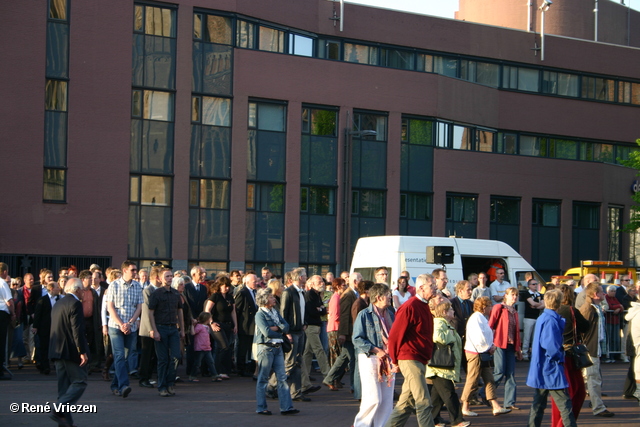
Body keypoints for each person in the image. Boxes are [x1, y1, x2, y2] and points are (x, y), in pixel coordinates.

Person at [384, 274, 437, 427]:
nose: (435, 288)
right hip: (410, 358)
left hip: (418, 358)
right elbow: (395, 335)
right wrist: (394, 360)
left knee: (405, 404)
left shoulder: (424, 305)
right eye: (432, 285)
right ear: (421, 287)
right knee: (424, 401)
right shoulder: (409, 306)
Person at [524, 289, 577, 427]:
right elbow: (550, 346)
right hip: (550, 367)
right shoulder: (551, 320)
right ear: (559, 302)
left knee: (539, 403)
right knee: (564, 403)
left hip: (542, 366)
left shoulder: (544, 317)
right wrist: (560, 357)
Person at [352, 283, 396, 427]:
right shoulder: (364, 314)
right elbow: (357, 338)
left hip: (388, 359)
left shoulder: (390, 313)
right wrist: (377, 350)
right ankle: (361, 425)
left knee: (387, 399)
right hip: (369, 358)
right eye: (387, 295)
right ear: (378, 297)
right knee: (373, 398)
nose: (389, 297)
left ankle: (382, 425)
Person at [48, 278, 89, 427]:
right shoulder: (75, 303)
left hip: (57, 350)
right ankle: (59, 410)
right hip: (70, 350)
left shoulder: (58, 303)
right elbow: (77, 329)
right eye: (82, 290)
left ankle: (65, 423)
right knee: (80, 381)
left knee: (63, 388)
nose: (84, 292)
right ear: (77, 290)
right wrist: (81, 351)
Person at [461, 297, 511, 417]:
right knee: (472, 380)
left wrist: (490, 346)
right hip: (476, 353)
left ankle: (495, 405)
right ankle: (465, 406)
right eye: (489, 306)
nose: (491, 308)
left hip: (482, 352)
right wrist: (489, 347)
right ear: (484, 307)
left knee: (489, 379)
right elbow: (480, 337)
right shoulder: (476, 318)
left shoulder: (481, 318)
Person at [254, 287, 299, 416]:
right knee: (263, 378)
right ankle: (261, 407)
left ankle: (286, 407)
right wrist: (280, 331)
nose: (274, 299)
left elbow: (286, 326)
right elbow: (266, 332)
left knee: (282, 378)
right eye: (271, 297)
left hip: (278, 348)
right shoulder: (260, 314)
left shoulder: (275, 311)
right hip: (266, 348)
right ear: (264, 299)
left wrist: (277, 328)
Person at [549, 285, 589, 427]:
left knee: (560, 394)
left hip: (557, 355)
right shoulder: (571, 310)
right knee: (576, 392)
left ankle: (558, 423)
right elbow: (585, 326)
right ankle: (565, 423)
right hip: (570, 355)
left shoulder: (552, 313)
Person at [426, 302, 469, 427]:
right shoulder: (439, 322)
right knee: (449, 394)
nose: (453, 311)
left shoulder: (445, 323)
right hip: (440, 367)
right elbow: (437, 337)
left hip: (441, 367)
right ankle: (457, 421)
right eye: (450, 309)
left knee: (437, 396)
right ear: (444, 312)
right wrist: (451, 337)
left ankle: (433, 420)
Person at [104, 261, 143, 398]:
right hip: (115, 327)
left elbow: (139, 307)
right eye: (132, 270)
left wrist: (130, 322)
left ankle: (115, 385)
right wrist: (121, 324)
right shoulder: (113, 285)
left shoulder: (137, 286)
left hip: (130, 327)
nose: (135, 272)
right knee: (119, 355)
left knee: (127, 357)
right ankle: (124, 386)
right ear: (125, 270)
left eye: (135, 270)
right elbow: (110, 307)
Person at [579, 281, 615, 417]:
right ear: (595, 294)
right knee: (593, 378)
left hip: (595, 347)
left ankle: (595, 403)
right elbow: (582, 330)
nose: (604, 294)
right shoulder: (588, 308)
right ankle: (598, 407)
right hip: (590, 348)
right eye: (601, 292)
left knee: (590, 378)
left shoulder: (596, 307)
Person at [148, 271, 186, 397]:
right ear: (160, 278)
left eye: (171, 276)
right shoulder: (156, 293)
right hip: (161, 328)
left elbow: (180, 311)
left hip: (173, 328)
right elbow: (150, 313)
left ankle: (170, 383)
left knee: (176, 357)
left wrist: (182, 329)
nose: (170, 278)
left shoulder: (176, 293)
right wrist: (154, 330)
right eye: (167, 276)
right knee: (163, 359)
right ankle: (162, 386)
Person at [323, 272, 360, 392]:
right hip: (346, 331)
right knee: (351, 358)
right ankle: (354, 385)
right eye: (360, 279)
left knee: (344, 357)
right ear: (355, 282)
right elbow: (342, 315)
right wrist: (342, 332)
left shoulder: (352, 294)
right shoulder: (347, 295)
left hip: (348, 331)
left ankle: (330, 378)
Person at [488, 287, 522, 410]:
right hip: (499, 343)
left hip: (511, 345)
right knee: (499, 371)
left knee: (511, 374)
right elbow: (490, 326)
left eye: (516, 295)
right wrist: (490, 343)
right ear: (506, 296)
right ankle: (485, 393)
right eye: (512, 295)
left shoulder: (515, 311)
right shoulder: (499, 308)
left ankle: (510, 402)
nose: (514, 297)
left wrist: (518, 349)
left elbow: (516, 331)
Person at [278, 267, 308, 401]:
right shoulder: (288, 292)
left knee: (298, 361)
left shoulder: (301, 292)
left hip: (300, 330)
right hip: (292, 331)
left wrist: (304, 321)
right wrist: (286, 332)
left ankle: (295, 392)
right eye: (305, 275)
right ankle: (272, 386)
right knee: (290, 362)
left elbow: (302, 310)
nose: (306, 277)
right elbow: (283, 313)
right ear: (300, 277)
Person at [204, 276, 237, 379]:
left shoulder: (230, 297)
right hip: (217, 324)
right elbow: (207, 310)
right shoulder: (215, 296)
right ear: (219, 286)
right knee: (224, 346)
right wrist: (211, 322)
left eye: (228, 286)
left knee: (225, 348)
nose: (226, 288)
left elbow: (233, 312)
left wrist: (236, 325)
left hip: (228, 325)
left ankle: (223, 370)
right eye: (224, 286)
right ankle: (217, 370)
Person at [302, 275, 329, 394]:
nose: (322, 283)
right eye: (319, 281)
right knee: (319, 350)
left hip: (316, 325)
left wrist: (321, 309)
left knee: (307, 353)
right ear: (312, 284)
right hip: (311, 326)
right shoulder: (309, 295)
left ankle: (305, 377)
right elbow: (313, 311)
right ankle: (328, 375)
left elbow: (321, 309)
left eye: (322, 281)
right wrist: (321, 309)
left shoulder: (317, 295)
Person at [32, 281, 61, 375]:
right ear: (52, 288)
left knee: (56, 346)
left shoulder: (59, 299)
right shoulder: (42, 300)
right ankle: (45, 367)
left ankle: (57, 366)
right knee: (44, 347)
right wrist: (35, 326)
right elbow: (38, 314)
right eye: (57, 287)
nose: (59, 288)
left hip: (56, 327)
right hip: (45, 327)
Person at [235, 273, 258, 377]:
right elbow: (237, 310)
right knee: (243, 348)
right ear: (247, 282)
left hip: (254, 325)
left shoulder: (256, 292)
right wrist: (238, 324)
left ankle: (251, 367)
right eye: (254, 281)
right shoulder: (242, 293)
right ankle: (241, 368)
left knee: (252, 348)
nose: (256, 283)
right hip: (245, 325)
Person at [190, 312, 221, 382]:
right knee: (197, 363)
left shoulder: (207, 327)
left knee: (211, 362)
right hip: (200, 348)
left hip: (207, 348)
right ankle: (192, 376)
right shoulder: (199, 326)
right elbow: (193, 333)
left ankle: (214, 375)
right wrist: (192, 325)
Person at [624, 278, 640, 404]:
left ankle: (630, 391)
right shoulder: (637, 311)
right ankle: (633, 391)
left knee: (633, 366)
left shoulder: (635, 310)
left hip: (634, 344)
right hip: (635, 344)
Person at [520, 278, 544, 361]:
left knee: (535, 337)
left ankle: (534, 353)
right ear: (529, 285)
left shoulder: (540, 295)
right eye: (533, 284)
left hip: (537, 317)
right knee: (527, 337)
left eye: (536, 284)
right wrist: (538, 304)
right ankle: (525, 354)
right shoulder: (527, 294)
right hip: (528, 318)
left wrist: (536, 305)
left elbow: (543, 305)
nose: (535, 286)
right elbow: (532, 303)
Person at [604, 285, 623, 361]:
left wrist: (619, 308)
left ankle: (614, 355)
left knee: (616, 339)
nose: (613, 292)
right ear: (608, 291)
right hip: (608, 321)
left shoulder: (615, 298)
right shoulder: (606, 298)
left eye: (614, 291)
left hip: (616, 321)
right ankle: (609, 355)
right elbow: (609, 307)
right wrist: (618, 306)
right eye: (612, 291)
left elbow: (622, 307)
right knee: (609, 338)